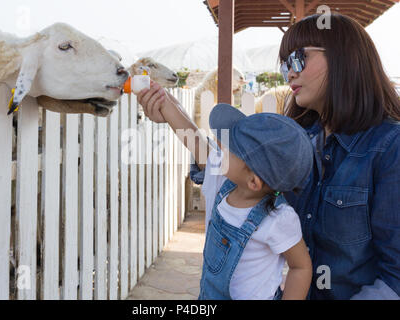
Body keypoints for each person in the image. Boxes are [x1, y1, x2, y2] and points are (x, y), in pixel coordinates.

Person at [192, 13, 400, 300]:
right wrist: (169, 112)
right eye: (285, 64)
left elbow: (395, 279)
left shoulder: (391, 147)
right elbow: (235, 174)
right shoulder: (300, 139)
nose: (289, 73)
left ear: (344, 58)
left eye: (299, 58)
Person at [137, 83, 314, 300]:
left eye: (231, 147)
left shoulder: (279, 219)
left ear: (254, 181)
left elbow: (301, 267)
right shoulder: (220, 180)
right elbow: (193, 137)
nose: (220, 145)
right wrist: (162, 98)